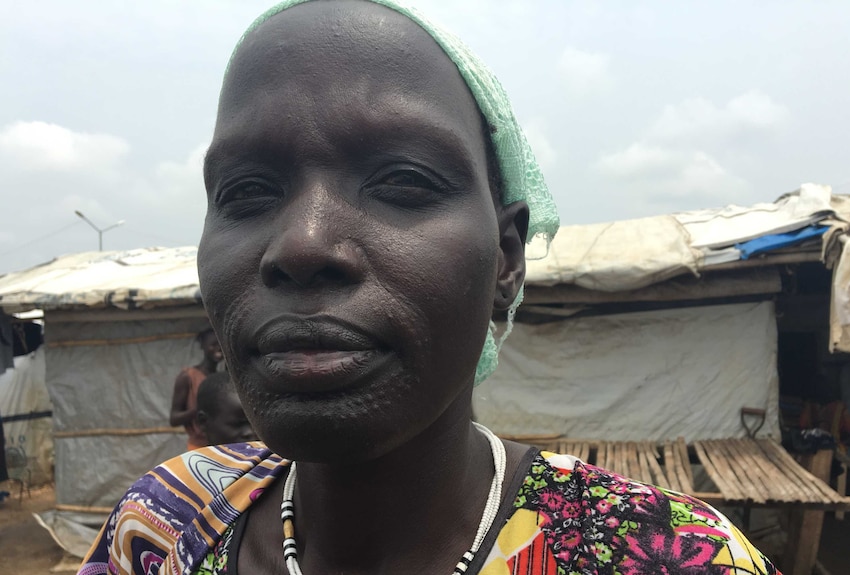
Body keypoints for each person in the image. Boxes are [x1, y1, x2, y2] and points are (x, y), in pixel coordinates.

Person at [79, 1, 780, 574]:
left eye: (403, 182)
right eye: (248, 190)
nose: (301, 244)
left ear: (506, 259)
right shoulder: (163, 526)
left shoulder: (671, 559)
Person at [169, 327, 223, 450]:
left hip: (222, 446)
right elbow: (174, 419)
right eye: (213, 344)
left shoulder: (222, 377)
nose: (218, 348)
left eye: (220, 344)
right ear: (203, 346)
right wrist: (200, 409)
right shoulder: (188, 377)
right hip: (199, 447)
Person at [195, 372, 257, 446]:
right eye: (238, 424)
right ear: (203, 421)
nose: (250, 432)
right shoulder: (189, 457)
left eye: (256, 425)